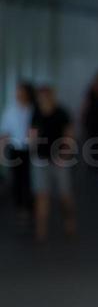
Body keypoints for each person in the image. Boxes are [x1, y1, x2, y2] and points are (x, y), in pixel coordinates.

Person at [27, 84, 77, 242]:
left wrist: (65, 155)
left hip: (59, 160)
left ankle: (69, 222)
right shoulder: (36, 114)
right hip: (41, 160)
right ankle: (41, 231)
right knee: (41, 195)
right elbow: (32, 135)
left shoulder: (62, 113)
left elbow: (69, 136)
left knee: (64, 196)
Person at [1, 82, 35, 227]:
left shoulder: (33, 109)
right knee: (17, 178)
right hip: (15, 148)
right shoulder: (10, 110)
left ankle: (29, 204)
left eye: (21, 91)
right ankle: (20, 206)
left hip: (30, 149)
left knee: (29, 178)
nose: (18, 94)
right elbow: (5, 132)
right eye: (17, 92)